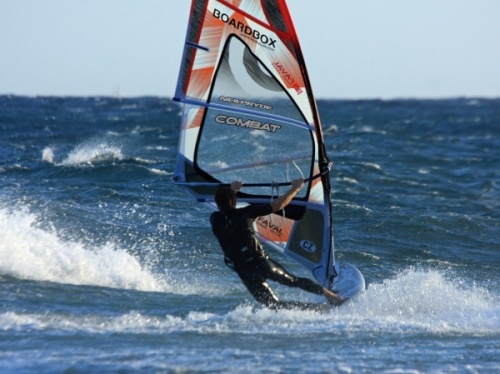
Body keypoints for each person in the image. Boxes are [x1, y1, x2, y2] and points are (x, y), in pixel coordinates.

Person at [210, 178, 345, 311]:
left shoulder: (215, 219)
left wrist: (232, 191)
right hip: (262, 264)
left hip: (245, 272)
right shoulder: (246, 212)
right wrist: (295, 188)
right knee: (294, 281)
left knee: (274, 305)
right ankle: (334, 297)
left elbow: (226, 210)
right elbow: (277, 205)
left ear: (217, 204)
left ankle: (318, 309)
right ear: (234, 200)